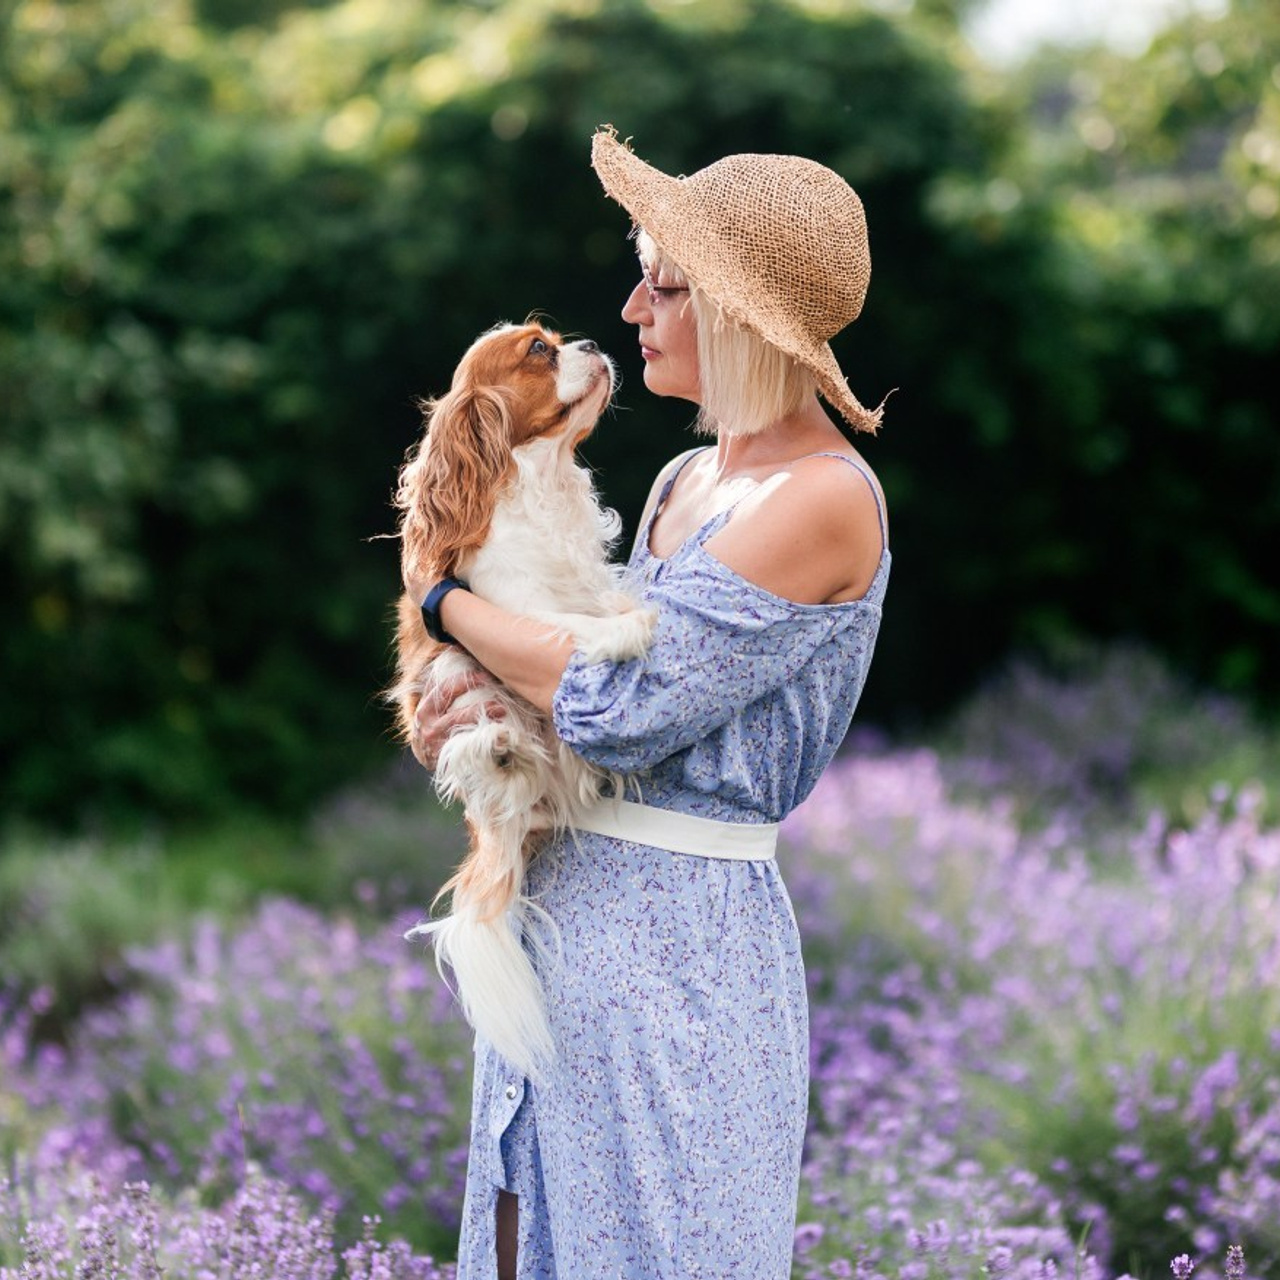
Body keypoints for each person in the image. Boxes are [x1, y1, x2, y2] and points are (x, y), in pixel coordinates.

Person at [408, 126, 891, 1280]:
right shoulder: (688, 477)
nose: (630, 307)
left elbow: (621, 710)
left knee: (664, 1248)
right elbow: (561, 683)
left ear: (734, 310)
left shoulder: (823, 499)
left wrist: (444, 613)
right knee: (526, 1246)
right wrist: (466, 708)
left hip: (677, 952)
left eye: (661, 284)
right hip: (559, 916)